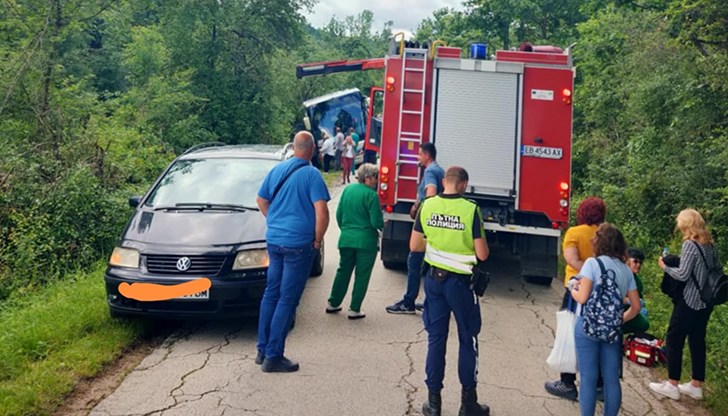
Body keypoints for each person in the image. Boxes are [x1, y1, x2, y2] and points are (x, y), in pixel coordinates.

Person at [412, 166, 490, 416]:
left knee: (436, 340)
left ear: (444, 181)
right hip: (461, 286)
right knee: (468, 339)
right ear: (464, 184)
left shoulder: (427, 205)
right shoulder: (470, 210)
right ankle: (468, 404)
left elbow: (415, 245)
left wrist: (437, 240)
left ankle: (433, 403)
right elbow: (482, 254)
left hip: (434, 281)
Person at [255, 131, 331, 373]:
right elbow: (322, 213)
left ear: (294, 148)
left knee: (271, 293)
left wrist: (275, 221)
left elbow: (261, 200)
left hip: (274, 241)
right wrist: (317, 240)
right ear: (312, 150)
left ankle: (262, 350)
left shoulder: (277, 170)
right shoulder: (311, 174)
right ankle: (273, 356)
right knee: (287, 299)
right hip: (298, 244)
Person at [569, 223, 641, 416]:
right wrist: (619, 320)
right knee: (611, 379)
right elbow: (636, 307)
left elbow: (582, 297)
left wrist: (572, 288)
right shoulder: (626, 271)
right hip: (612, 331)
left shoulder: (592, 264)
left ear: (599, 242)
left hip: (587, 326)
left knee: (588, 378)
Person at [649, 208, 719, 401]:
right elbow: (716, 269)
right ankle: (696, 385)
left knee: (674, 337)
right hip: (706, 302)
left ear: (685, 224)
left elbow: (682, 274)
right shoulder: (711, 245)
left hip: (689, 300)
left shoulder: (690, 245)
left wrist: (665, 267)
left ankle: (672, 384)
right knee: (697, 340)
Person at [545, 196, 606, 400]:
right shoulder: (607, 235)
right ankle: (599, 385)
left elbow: (572, 259)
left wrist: (589, 274)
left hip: (576, 290)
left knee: (569, 334)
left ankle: (567, 382)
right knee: (596, 335)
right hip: (601, 292)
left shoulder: (574, 233)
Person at [386, 142, 445, 314]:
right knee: (430, 264)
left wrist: (420, 208)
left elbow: (431, 193)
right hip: (435, 224)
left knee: (414, 261)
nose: (418, 157)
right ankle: (430, 302)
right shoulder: (439, 170)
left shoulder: (430, 171)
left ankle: (408, 302)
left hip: (426, 224)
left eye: (419, 154)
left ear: (427, 155)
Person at [326, 163, 384, 319]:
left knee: (343, 271)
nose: (377, 181)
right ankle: (354, 308)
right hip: (366, 241)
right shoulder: (372, 196)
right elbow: (375, 222)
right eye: (375, 177)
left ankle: (333, 302)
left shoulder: (347, 190)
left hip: (346, 238)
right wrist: (383, 223)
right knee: (362, 275)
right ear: (368, 178)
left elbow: (339, 215)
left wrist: (346, 230)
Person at [623, 247, 650, 334]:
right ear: (627, 261)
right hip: (616, 310)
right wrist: (629, 300)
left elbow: (639, 299)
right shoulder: (620, 275)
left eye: (640, 262)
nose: (638, 265)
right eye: (635, 261)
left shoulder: (637, 281)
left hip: (631, 311)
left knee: (644, 322)